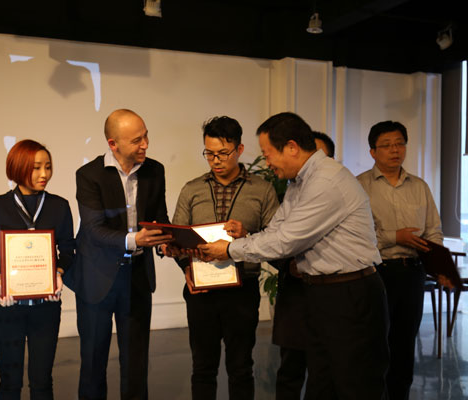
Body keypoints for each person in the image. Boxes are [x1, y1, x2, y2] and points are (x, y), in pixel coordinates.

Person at [198, 112, 389, 400]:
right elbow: (277, 230)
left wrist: (228, 249)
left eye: (267, 154)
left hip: (350, 295)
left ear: (291, 147)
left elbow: (286, 241)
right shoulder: (299, 183)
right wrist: (244, 239)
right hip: (322, 295)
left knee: (355, 386)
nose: (267, 162)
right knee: (321, 385)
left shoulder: (326, 181)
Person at [164, 116, 279, 399]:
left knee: (241, 367)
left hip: (242, 290)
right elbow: (178, 236)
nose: (215, 160)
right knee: (203, 368)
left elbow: (276, 239)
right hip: (201, 290)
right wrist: (184, 265)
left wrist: (246, 234)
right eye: (209, 153)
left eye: (223, 153)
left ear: (239, 149)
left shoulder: (262, 189)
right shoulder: (192, 189)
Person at [66, 109, 172, 400]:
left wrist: (165, 242)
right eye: (137, 140)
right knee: (93, 361)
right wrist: (135, 239)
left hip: (137, 277)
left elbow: (159, 217)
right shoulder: (89, 175)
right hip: (96, 277)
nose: (145, 144)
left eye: (146, 136)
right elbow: (93, 229)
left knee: (136, 363)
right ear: (113, 144)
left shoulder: (155, 170)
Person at [357, 121, 443, 400]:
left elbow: (434, 231)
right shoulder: (359, 186)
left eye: (400, 144)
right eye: (386, 145)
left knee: (405, 345)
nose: (395, 150)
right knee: (375, 344)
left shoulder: (420, 186)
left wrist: (439, 264)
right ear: (373, 152)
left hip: (412, 273)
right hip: (376, 273)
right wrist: (396, 236)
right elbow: (357, 235)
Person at [0, 139, 75, 399]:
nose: (44, 174)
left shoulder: (59, 206)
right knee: (9, 382)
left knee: (42, 381)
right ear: (17, 167)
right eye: (36, 168)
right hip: (7, 306)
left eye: (48, 167)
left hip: (46, 307)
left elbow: (68, 250)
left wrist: (58, 274)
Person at [273, 131, 334, 399]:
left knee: (325, 376)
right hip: (296, 298)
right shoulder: (290, 194)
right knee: (290, 372)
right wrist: (288, 265)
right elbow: (273, 240)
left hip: (331, 297)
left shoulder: (339, 193)